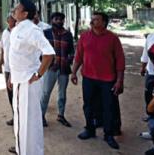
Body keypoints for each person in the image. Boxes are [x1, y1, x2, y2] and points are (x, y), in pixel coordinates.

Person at [7, 0, 55, 155]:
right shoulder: (16, 29)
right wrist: (11, 77)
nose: (14, 10)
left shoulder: (32, 30)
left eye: (17, 8)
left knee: (28, 121)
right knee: (23, 121)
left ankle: (29, 151)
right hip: (18, 79)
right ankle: (26, 150)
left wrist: (38, 74)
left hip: (28, 81)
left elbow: (48, 53)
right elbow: (16, 56)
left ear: (25, 13)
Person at [70, 12, 125, 150]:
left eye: (96, 19)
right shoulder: (84, 36)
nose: (93, 21)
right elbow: (79, 56)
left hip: (108, 79)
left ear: (104, 22)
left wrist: (119, 81)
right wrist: (74, 72)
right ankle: (90, 128)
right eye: (92, 19)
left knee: (108, 107)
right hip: (88, 78)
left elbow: (120, 61)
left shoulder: (112, 38)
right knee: (88, 105)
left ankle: (108, 134)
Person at [40, 12, 74, 128]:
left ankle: (61, 115)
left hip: (64, 69)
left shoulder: (68, 34)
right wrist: (45, 63)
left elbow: (72, 51)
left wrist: (69, 59)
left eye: (61, 19)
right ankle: (41, 116)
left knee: (62, 94)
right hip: (51, 69)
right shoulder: (45, 34)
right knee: (45, 93)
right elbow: (40, 51)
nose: (59, 21)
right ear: (52, 20)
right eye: (56, 19)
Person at [0, 15, 16, 126]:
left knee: (18, 94)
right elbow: (3, 50)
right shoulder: (5, 33)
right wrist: (0, 65)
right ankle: (15, 116)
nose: (11, 21)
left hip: (17, 69)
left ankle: (20, 117)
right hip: (8, 69)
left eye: (13, 20)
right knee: (10, 94)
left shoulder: (18, 32)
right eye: (9, 20)